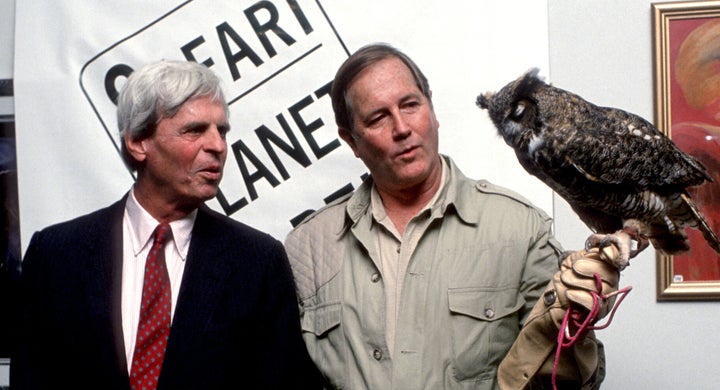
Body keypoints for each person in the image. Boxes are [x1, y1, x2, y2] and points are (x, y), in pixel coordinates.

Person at [285, 43, 627, 389]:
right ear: (351, 141)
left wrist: (575, 325)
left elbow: (569, 383)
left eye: (410, 105)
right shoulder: (307, 249)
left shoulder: (519, 229)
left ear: (431, 109)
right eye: (378, 118)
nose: (402, 128)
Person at [12, 60, 319, 389]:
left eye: (222, 131)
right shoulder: (57, 254)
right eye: (195, 130)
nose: (217, 145)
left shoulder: (257, 261)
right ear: (138, 142)